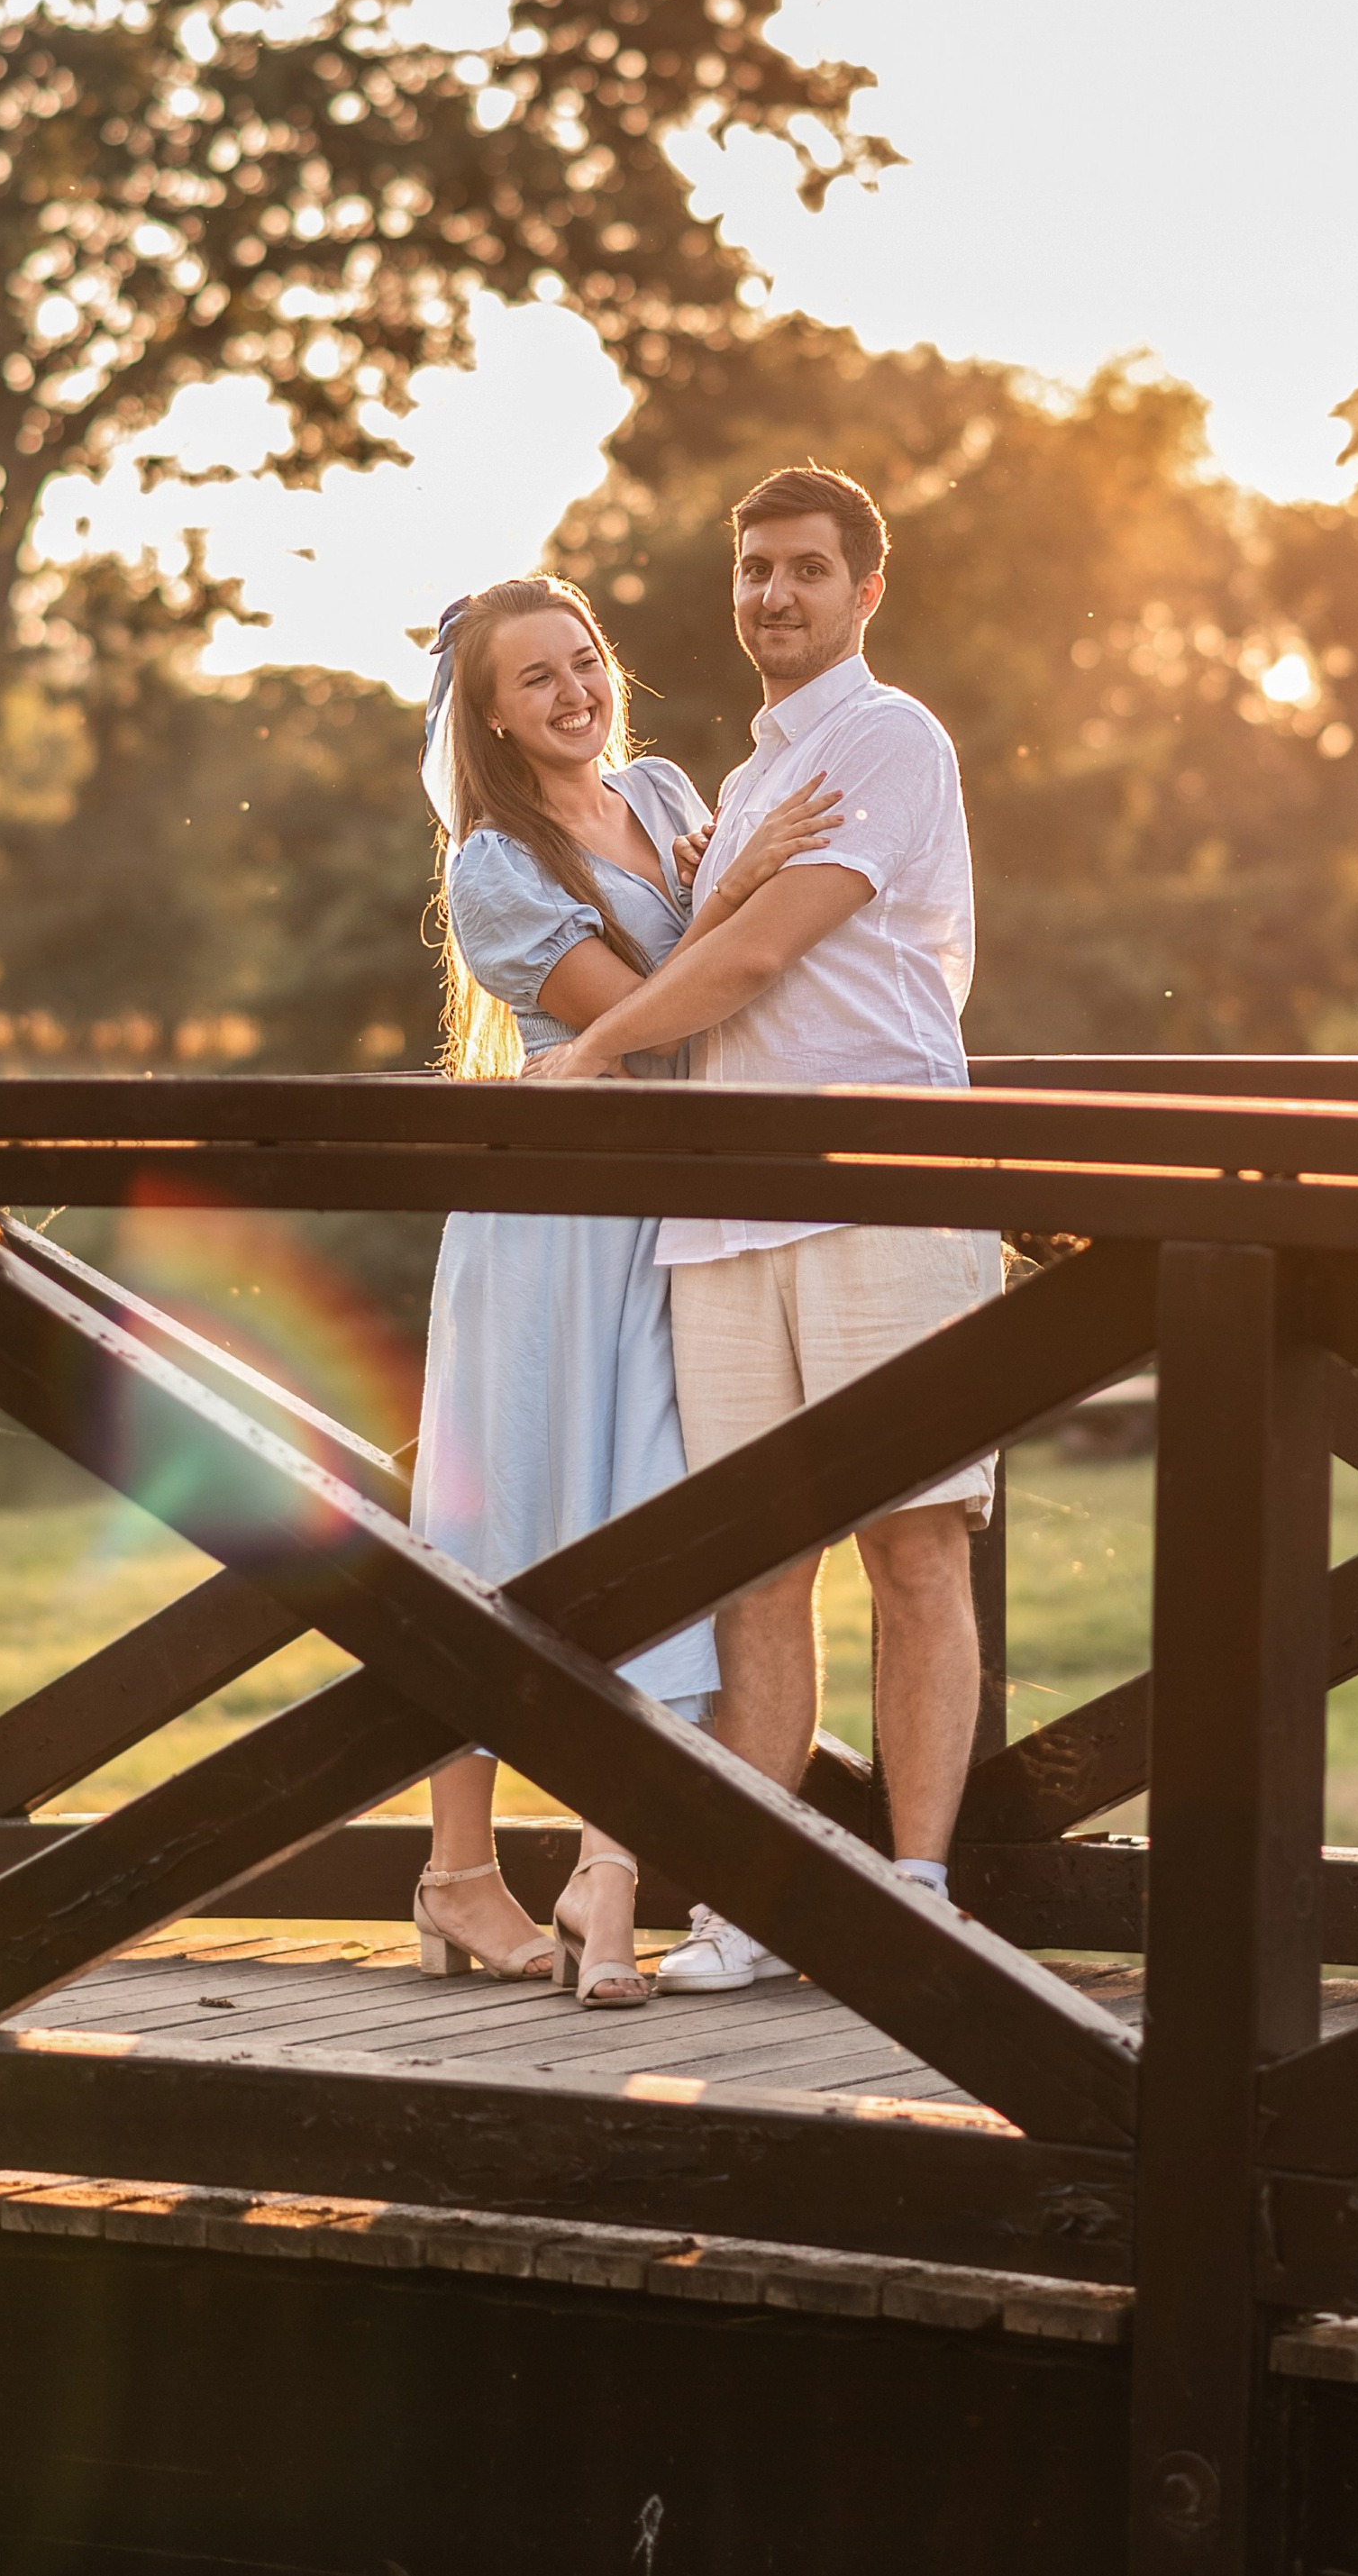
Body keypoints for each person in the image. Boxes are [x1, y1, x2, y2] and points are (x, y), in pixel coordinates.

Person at [531, 466, 998, 1994]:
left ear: (869, 589)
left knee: (915, 1542)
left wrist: (589, 1056)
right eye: (752, 573)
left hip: (885, 1193)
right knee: (755, 1568)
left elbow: (749, 959)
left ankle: (919, 1887)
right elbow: (723, 931)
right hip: (723, 1217)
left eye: (805, 570)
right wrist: (728, 867)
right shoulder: (743, 785)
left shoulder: (887, 736)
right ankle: (754, 1901)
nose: (773, 597)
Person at [410, 574, 840, 2007]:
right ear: (488, 714)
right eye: (534, 678)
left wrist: (746, 870)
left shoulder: (662, 790)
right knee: (506, 1517)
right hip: (549, 1236)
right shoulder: (493, 863)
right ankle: (460, 1873)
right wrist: (752, 869)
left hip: (670, 1216)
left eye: (583, 660)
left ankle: (610, 1871)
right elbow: (652, 1001)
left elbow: (735, 967)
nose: (573, 691)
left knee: (650, 1515)